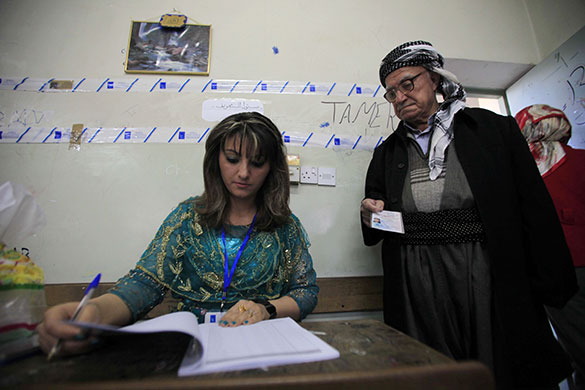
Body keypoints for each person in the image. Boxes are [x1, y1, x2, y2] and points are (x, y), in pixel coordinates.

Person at [359, 40, 577, 389]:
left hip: (486, 271)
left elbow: (534, 207)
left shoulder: (493, 131)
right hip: (418, 281)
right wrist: (369, 212)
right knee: (435, 367)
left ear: (434, 79)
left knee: (499, 363)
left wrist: (550, 283)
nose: (399, 97)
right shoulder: (387, 153)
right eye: (390, 93)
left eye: (407, 84)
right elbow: (375, 215)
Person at [37, 111, 319, 357]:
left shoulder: (284, 226)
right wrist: (95, 314)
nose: (243, 172)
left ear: (272, 168)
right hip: (191, 348)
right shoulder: (187, 217)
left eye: (257, 163)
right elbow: (146, 283)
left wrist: (266, 309)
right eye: (232, 159)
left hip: (261, 347)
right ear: (215, 159)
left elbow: (305, 292)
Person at [516, 104, 585, 390]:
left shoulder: (522, 172)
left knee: (578, 345)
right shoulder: (579, 159)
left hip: (559, 270)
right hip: (565, 267)